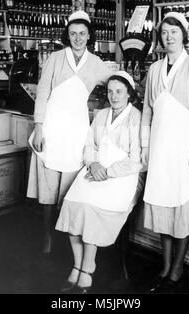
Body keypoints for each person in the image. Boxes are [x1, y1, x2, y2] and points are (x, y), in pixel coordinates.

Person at [140, 12, 189, 293]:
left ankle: (177, 269)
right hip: (161, 150)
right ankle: (165, 265)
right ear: (159, 38)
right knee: (163, 206)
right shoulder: (154, 70)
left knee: (183, 208)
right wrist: (146, 145)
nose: (169, 37)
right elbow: (147, 111)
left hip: (185, 150)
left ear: (184, 35)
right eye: (164, 33)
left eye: (174, 32)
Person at [26, 11, 112, 255]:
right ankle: (46, 235)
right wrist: (39, 127)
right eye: (73, 34)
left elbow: (114, 81)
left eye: (82, 34)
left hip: (76, 130)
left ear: (89, 36)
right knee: (48, 188)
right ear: (67, 35)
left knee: (69, 190)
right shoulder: (55, 57)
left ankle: (66, 239)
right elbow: (42, 93)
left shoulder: (95, 62)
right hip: (52, 128)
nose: (78, 38)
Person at [55, 71, 145, 293]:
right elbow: (89, 146)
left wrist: (109, 171)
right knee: (73, 202)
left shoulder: (136, 118)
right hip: (94, 170)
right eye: (110, 91)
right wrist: (93, 165)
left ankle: (87, 269)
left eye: (119, 91)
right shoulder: (101, 114)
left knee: (92, 208)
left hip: (121, 176)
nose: (114, 96)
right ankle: (77, 265)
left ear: (129, 94)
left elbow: (137, 160)